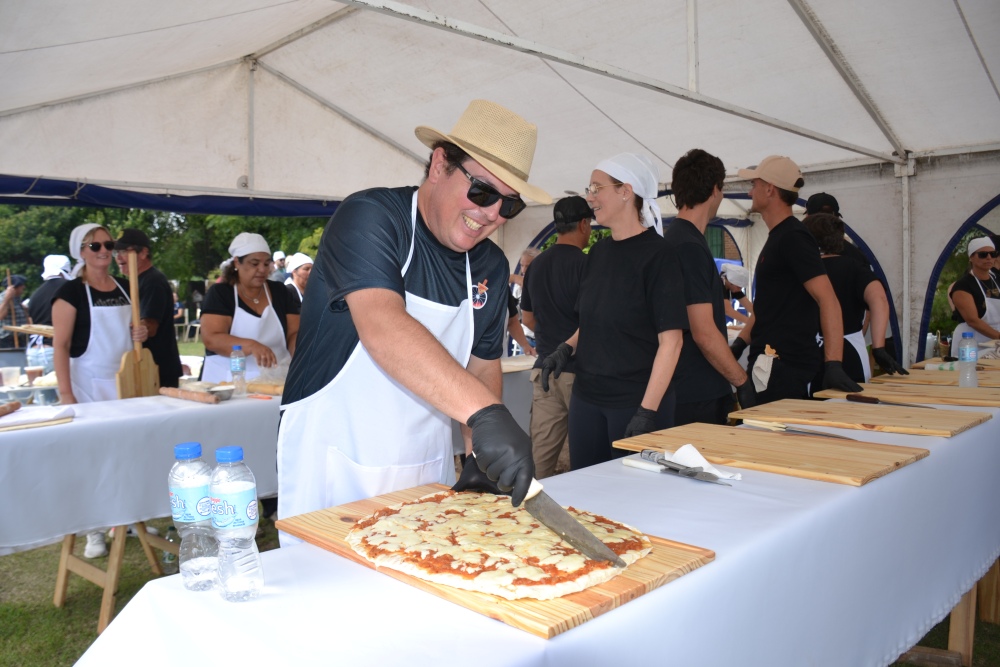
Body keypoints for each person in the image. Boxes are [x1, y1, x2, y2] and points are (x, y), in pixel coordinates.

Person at [277, 100, 550, 530]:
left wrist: (479, 450)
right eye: (482, 192)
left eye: (510, 206)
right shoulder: (372, 217)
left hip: (426, 465)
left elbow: (481, 365)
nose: (493, 214)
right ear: (440, 164)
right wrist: (487, 415)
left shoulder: (490, 267)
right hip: (336, 462)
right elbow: (384, 327)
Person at [542, 153, 688, 470]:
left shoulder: (660, 256)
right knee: (586, 497)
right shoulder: (598, 251)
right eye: (589, 188)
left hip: (634, 401)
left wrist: (648, 411)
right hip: (587, 398)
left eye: (597, 188)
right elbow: (594, 320)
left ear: (626, 191)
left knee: (634, 504)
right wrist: (565, 348)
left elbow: (672, 342)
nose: (589, 197)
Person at [730, 155, 861, 403]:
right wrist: (740, 344)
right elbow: (768, 305)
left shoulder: (793, 237)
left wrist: (833, 363)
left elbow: (828, 299)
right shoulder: (781, 235)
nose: (750, 193)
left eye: (754, 185)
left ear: (769, 189)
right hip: (770, 362)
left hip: (783, 366)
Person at [52, 224, 149, 559]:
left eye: (109, 245)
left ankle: (127, 518)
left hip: (124, 383)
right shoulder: (70, 293)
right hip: (88, 384)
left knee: (126, 453)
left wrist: (140, 332)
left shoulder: (124, 287)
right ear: (81, 251)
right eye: (95, 246)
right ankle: (93, 529)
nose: (105, 251)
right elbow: (61, 346)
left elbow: (134, 332)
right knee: (91, 459)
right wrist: (66, 394)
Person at [663, 149, 756, 424]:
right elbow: (702, 331)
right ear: (715, 190)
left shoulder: (676, 239)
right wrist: (742, 382)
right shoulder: (689, 247)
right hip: (695, 392)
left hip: (685, 387)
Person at [520, 195, 591, 478]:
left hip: (545, 371)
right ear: (584, 224)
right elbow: (594, 321)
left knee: (540, 462)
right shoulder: (587, 266)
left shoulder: (536, 265)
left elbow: (527, 318)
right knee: (587, 458)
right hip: (581, 372)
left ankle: (529, 518)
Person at [803, 213, 906, 382]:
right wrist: (878, 347)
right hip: (849, 349)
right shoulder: (854, 267)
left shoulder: (805, 269)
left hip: (809, 351)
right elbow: (879, 298)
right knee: (853, 405)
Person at [200, 233, 299, 383]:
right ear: (237, 263)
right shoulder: (221, 293)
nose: (262, 269)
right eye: (254, 264)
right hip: (228, 382)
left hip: (276, 379)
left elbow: (294, 333)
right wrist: (251, 346)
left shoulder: (280, 292)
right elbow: (212, 338)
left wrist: (300, 356)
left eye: (266, 264)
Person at [114, 229, 183, 389]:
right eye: (116, 252)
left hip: (157, 368)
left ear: (144, 252)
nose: (118, 258)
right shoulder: (135, 281)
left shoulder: (152, 281)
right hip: (146, 366)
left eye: (124, 251)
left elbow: (150, 326)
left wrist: (141, 328)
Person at [949, 236, 1000, 354]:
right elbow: (972, 320)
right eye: (983, 254)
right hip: (971, 341)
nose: (989, 257)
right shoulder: (963, 285)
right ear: (971, 257)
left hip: (996, 341)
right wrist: (998, 336)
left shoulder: (997, 280)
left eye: (993, 254)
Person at [0, 274, 29, 349]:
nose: (24, 287)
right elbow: (1, 315)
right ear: (14, 287)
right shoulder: (2, 298)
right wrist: (7, 299)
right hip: (7, 339)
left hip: (21, 337)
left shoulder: (17, 298)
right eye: (21, 285)